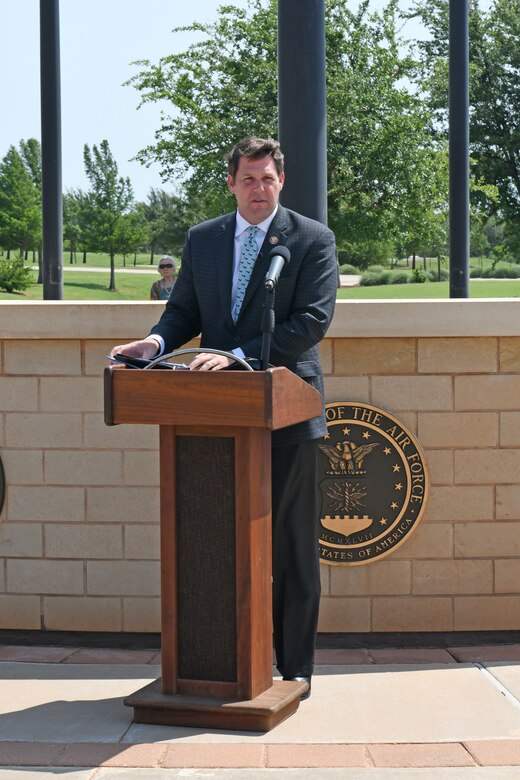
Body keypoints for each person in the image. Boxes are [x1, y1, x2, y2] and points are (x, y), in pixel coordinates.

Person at [111, 136, 337, 699]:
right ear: (231, 183)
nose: (259, 189)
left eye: (268, 179)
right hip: (214, 419)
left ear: (281, 181)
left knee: (291, 546)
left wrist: (237, 357)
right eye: (248, 179)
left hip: (288, 413)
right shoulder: (204, 239)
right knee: (212, 540)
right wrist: (155, 341)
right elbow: (184, 308)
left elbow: (310, 321)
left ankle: (296, 669)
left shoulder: (310, 239)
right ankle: (218, 661)